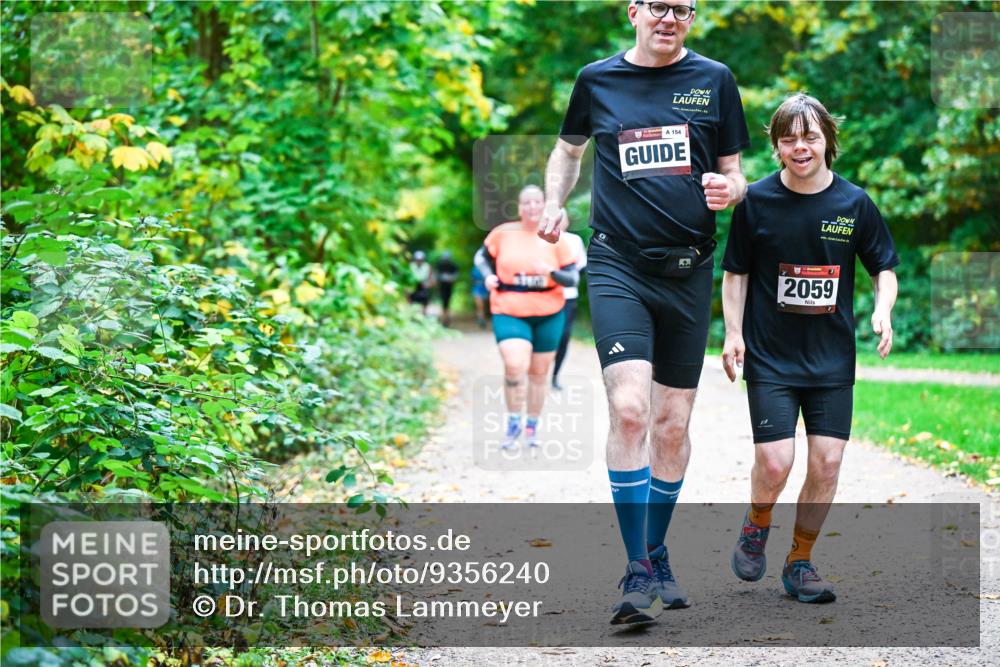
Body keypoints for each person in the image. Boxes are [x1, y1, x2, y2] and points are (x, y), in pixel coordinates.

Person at [538, 0, 750, 625]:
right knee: (630, 410)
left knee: (672, 426)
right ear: (632, 11)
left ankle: (656, 551)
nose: (669, 17)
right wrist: (556, 201)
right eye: (657, 5)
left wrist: (730, 190)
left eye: (682, 8)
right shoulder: (596, 80)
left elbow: (736, 174)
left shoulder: (715, 80)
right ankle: (637, 569)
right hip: (617, 264)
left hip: (687, 273)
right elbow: (568, 152)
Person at [721, 93, 899, 603]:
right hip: (772, 356)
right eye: (789, 138)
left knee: (826, 464)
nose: (801, 147)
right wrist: (733, 334)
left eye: (810, 136)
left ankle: (800, 561)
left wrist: (882, 309)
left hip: (831, 359)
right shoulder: (754, 200)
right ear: (777, 146)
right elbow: (735, 274)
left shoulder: (854, 203)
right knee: (775, 463)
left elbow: (883, 267)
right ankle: (757, 521)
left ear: (827, 140)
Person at [474, 185, 579, 450]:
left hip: (549, 311)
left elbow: (572, 277)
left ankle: (531, 426)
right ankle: (512, 422)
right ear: (519, 207)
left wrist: (551, 271)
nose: (532, 207)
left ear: (545, 205)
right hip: (509, 307)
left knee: (539, 373)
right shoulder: (503, 234)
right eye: (526, 203)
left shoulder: (557, 237)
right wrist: (487, 275)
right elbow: (481, 257)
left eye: (537, 202)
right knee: (514, 365)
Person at [551, 231, 587, 390]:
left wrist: (563, 276)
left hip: (568, 296)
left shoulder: (574, 240)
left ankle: (554, 376)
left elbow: (581, 266)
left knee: (564, 336)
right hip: (542, 296)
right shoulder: (535, 236)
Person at [436, 251, 459, 326]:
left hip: (449, 286)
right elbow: (436, 274)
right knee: (444, 302)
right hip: (442, 286)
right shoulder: (439, 265)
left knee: (447, 301)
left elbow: (456, 275)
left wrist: (451, 278)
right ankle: (444, 318)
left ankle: (446, 317)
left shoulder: (452, 265)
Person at [408, 251, 433, 315]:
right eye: (418, 260)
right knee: (410, 295)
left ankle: (424, 313)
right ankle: (411, 313)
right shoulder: (411, 266)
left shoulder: (427, 266)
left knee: (425, 297)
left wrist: (428, 284)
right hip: (413, 284)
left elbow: (430, 277)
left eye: (420, 260)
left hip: (423, 285)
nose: (419, 261)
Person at [471, 264, 490, 329]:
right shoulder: (474, 269)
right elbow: (472, 279)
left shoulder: (486, 269)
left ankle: (482, 318)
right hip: (477, 289)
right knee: (479, 305)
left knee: (483, 305)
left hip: (484, 288)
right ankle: (481, 319)